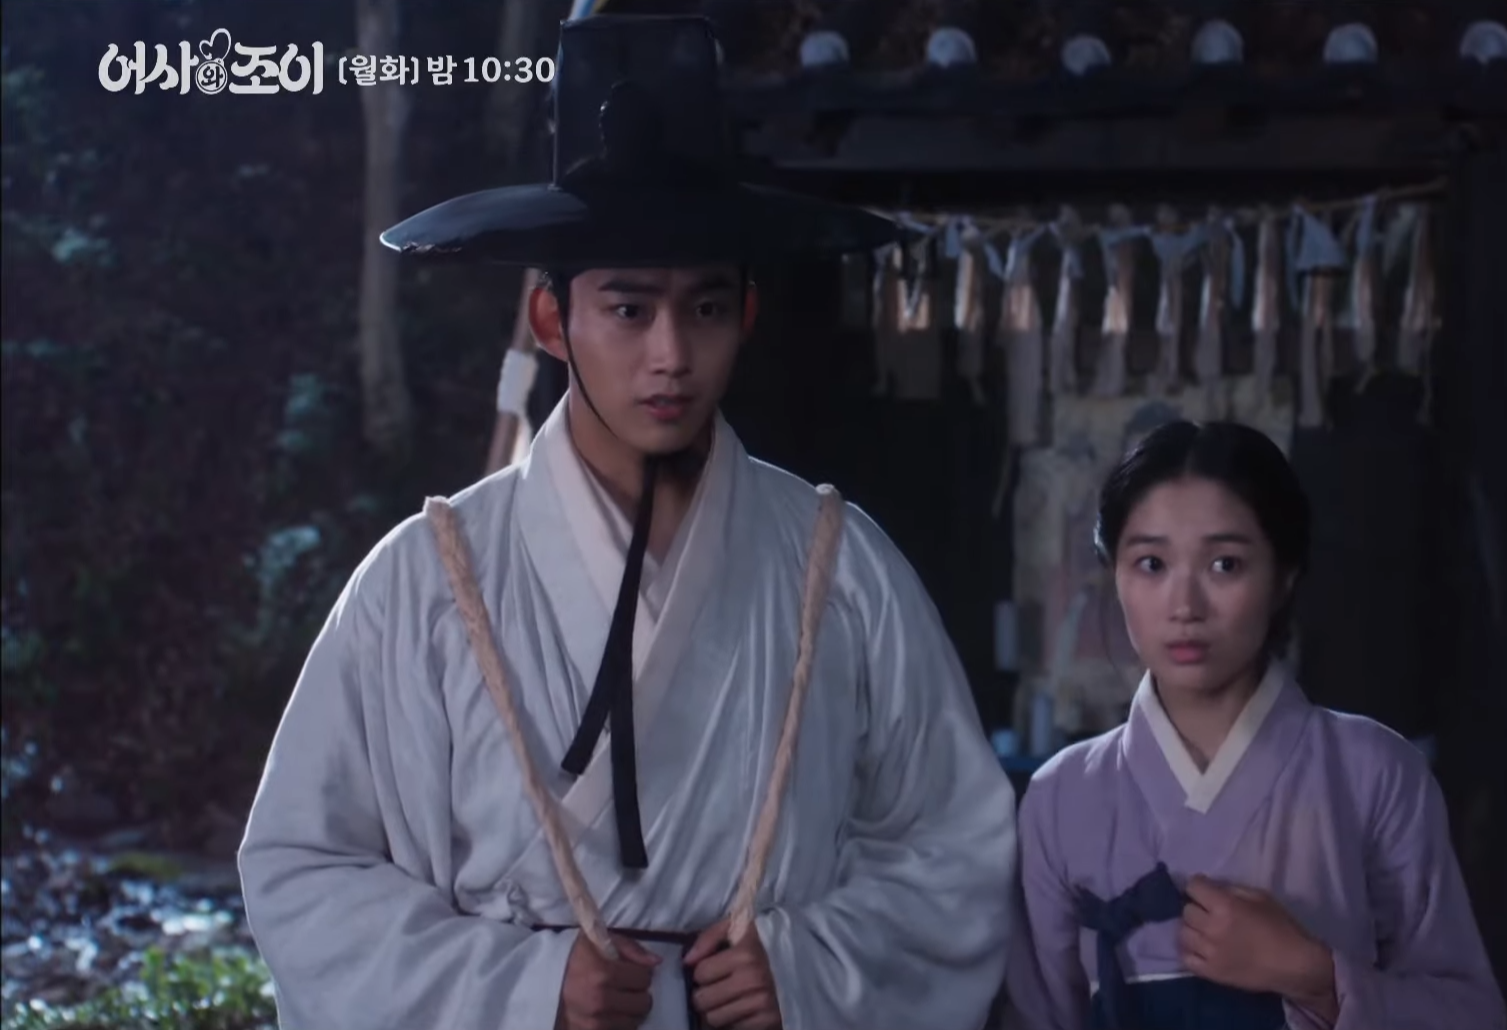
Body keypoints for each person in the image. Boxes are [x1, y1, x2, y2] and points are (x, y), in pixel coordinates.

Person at [237, 15, 1016, 1030]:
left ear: (746, 316)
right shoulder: (427, 578)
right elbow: (303, 865)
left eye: (704, 309)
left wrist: (810, 965)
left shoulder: (839, 564)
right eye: (628, 309)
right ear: (552, 322)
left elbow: (958, 847)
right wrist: (523, 986)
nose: (670, 356)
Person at [1003, 420, 1505, 1029]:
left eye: (1225, 564)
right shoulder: (1062, 798)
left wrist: (1313, 976)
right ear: (1114, 574)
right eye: (1152, 563)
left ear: (1284, 575)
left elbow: (1472, 1017)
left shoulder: (1373, 774)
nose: (1185, 606)